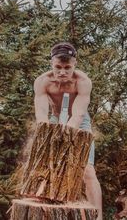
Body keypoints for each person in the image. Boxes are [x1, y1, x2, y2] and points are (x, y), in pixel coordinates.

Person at [34, 42, 102, 220]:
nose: (62, 72)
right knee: (46, 166)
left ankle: (98, 216)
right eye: (58, 67)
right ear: (52, 64)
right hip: (55, 118)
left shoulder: (83, 81)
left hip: (80, 121)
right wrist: (48, 133)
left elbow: (78, 114)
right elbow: (41, 114)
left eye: (67, 67)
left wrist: (67, 134)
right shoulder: (42, 82)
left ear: (74, 64)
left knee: (87, 170)